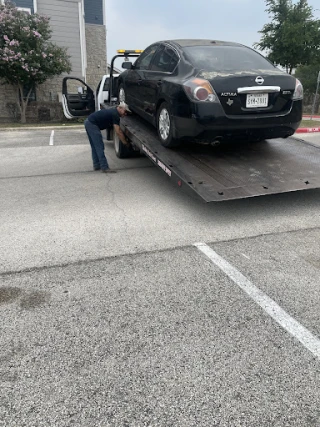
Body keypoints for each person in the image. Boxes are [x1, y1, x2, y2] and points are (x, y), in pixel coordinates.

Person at [84, 102, 131, 173]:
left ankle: (96, 165)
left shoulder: (113, 112)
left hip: (89, 122)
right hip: (92, 124)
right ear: (120, 108)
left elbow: (118, 130)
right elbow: (118, 132)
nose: (125, 114)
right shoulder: (115, 114)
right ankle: (104, 167)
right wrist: (125, 143)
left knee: (95, 146)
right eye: (125, 111)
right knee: (99, 146)